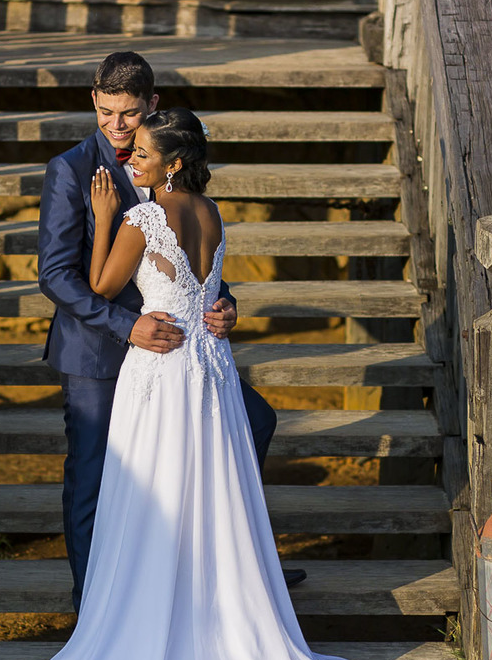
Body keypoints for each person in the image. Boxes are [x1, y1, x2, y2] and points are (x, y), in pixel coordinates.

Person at [0, 109, 453, 660]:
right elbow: (208, 289)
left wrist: (109, 216)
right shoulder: (210, 212)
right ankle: (206, 623)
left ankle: (149, 637)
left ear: (170, 162)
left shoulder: (142, 217)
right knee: (206, 493)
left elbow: (98, 281)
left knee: (157, 494)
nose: (130, 161)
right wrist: (218, 308)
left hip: (162, 372)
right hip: (210, 366)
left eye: (140, 152)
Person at [35, 52, 299, 614]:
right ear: (93, 100)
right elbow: (56, 275)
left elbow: (193, 262)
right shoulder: (71, 170)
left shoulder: (171, 156)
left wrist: (226, 304)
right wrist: (128, 327)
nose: (116, 126)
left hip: (180, 347)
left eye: (128, 114)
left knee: (253, 420)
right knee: (94, 477)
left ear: (152, 105)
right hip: (98, 349)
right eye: (106, 112)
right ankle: (95, 609)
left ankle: (227, 568)